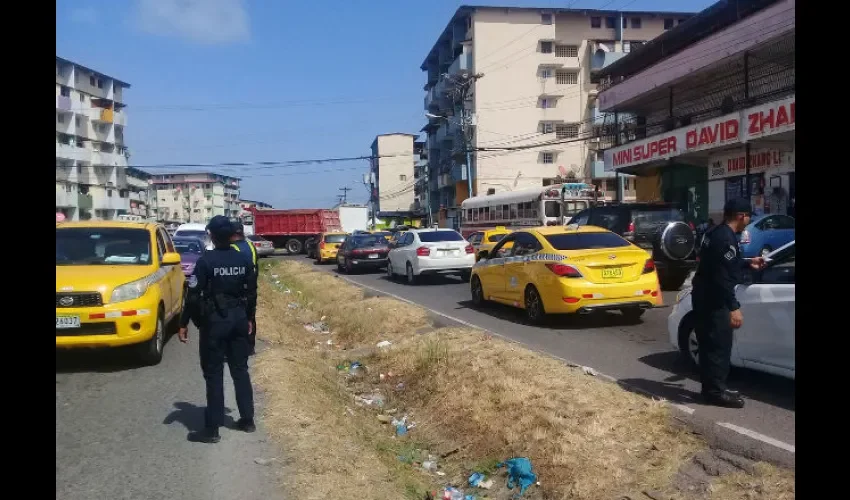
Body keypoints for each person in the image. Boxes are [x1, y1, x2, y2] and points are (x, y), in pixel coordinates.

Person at [178, 215, 258, 443]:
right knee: (240, 370)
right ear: (233, 235)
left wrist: (184, 323)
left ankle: (212, 429)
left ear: (211, 235)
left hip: (215, 323)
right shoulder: (243, 259)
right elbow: (252, 293)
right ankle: (247, 420)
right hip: (239, 320)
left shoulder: (206, 261)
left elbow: (192, 296)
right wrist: (250, 318)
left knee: (214, 375)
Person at [690, 198, 766, 408]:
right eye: (748, 217)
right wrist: (734, 307)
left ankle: (714, 388)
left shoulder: (715, 232)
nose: (749, 221)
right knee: (718, 346)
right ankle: (715, 393)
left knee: (709, 345)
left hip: (704, 295)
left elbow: (722, 264)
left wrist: (748, 263)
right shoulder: (726, 239)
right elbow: (722, 278)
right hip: (714, 300)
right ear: (741, 216)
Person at [230, 221, 259, 355]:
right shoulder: (250, 245)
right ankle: (250, 347)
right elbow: (256, 266)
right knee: (250, 316)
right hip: (252, 287)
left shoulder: (232, 249)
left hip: (238, 289)